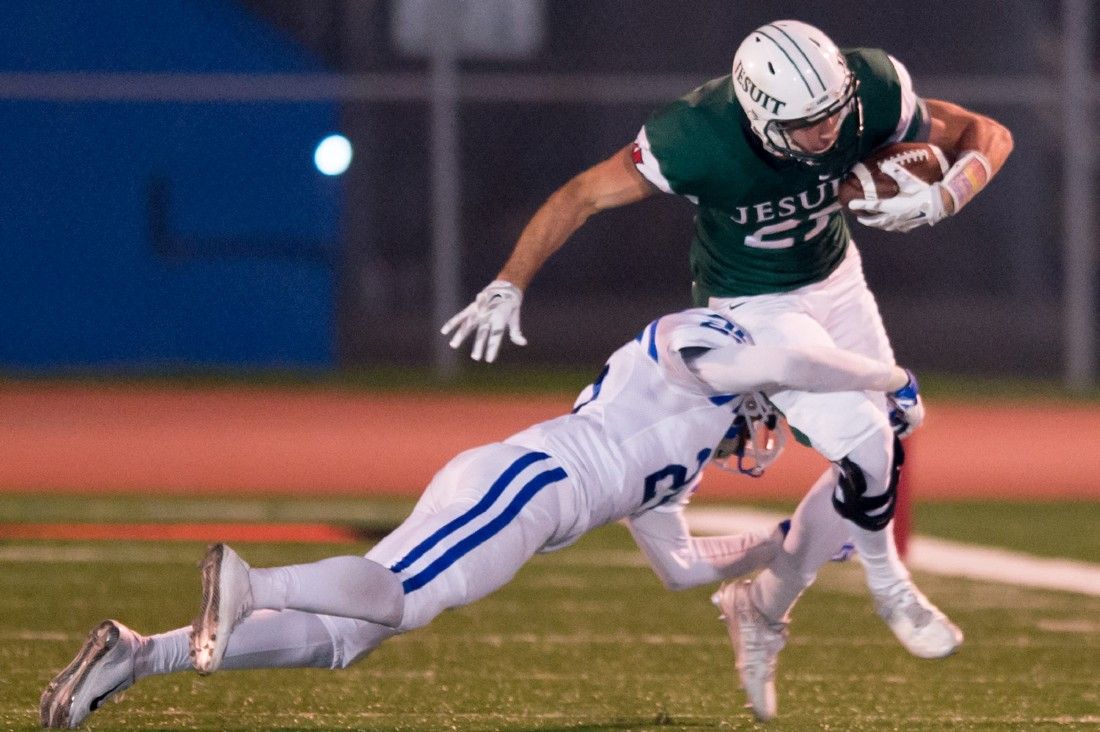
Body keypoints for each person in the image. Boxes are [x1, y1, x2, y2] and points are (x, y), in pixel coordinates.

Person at [441, 19, 1012, 720]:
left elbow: (989, 133)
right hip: (753, 303)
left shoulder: (869, 87)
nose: (831, 130)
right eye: (809, 122)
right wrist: (510, 280)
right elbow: (582, 196)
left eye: (836, 110)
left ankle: (762, 604)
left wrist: (951, 192)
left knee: (887, 441)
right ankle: (889, 584)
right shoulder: (695, 136)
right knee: (867, 441)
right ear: (761, 114)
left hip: (836, 279)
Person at [41, 308, 920, 728]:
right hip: (527, 486)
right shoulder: (694, 355)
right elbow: (771, 351)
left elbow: (683, 568)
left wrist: (786, 542)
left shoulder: (681, 464)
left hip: (508, 489)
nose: (768, 435)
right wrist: (868, 376)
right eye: (778, 412)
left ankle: (135, 656)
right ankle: (250, 581)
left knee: (351, 635)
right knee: (398, 600)